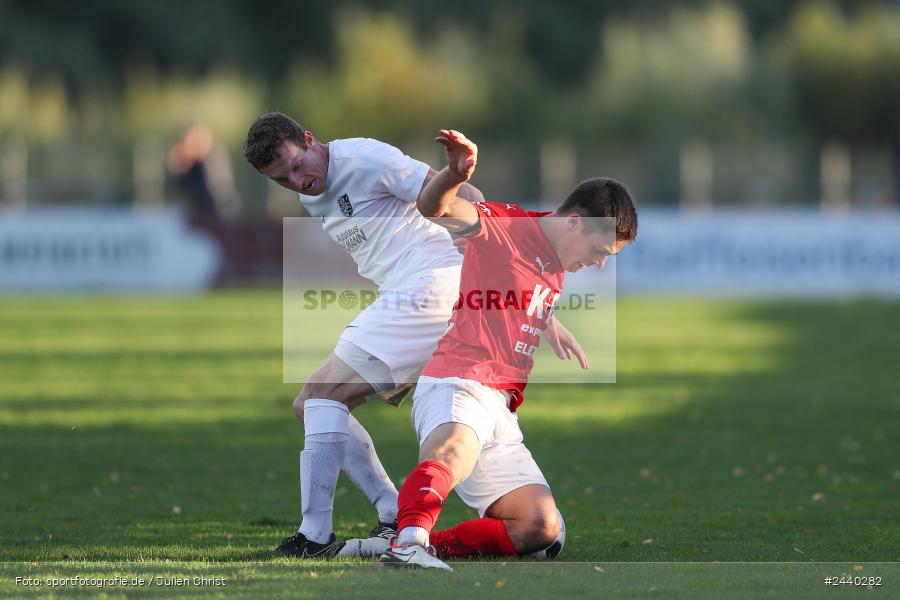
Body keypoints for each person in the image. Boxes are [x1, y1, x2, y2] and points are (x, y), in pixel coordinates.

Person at [243, 114, 586, 558]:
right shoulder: (314, 188)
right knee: (315, 404)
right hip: (423, 293)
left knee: (318, 399)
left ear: (310, 141)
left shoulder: (364, 157)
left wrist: (473, 234)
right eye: (282, 179)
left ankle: (318, 535)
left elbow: (470, 197)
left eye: (296, 165)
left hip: (430, 287)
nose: (297, 181)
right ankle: (406, 513)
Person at [379, 129, 638, 570]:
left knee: (540, 527)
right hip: (459, 381)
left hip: (501, 406)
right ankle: (407, 544)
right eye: (598, 251)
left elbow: (518, 283)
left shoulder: (554, 253)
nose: (597, 263)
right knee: (453, 450)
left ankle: (418, 543)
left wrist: (548, 321)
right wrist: (453, 174)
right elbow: (433, 208)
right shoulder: (505, 227)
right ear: (574, 221)